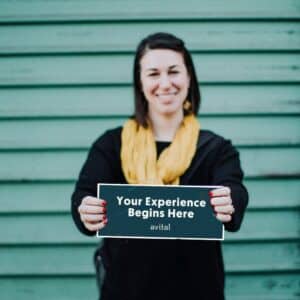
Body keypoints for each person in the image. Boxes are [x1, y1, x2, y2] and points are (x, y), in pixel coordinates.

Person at [71, 32, 248, 300]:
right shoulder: (111, 145)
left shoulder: (216, 149)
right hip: (126, 290)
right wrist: (85, 209)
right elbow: (83, 197)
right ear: (140, 82)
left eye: (174, 71)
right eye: (153, 73)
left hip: (197, 290)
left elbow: (234, 190)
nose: (165, 83)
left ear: (189, 77)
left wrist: (229, 201)